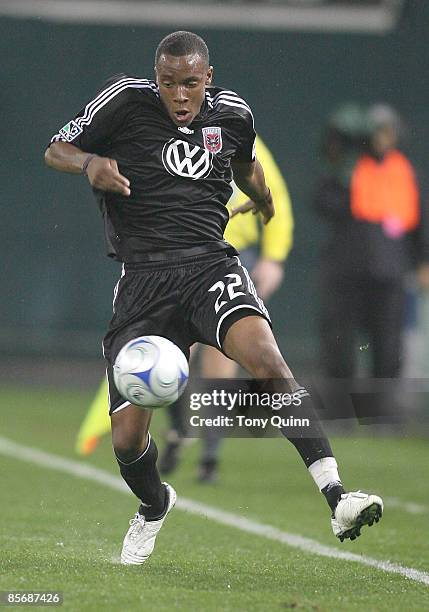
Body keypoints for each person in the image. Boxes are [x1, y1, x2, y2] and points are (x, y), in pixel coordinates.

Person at [45, 31, 383, 566]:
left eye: (190, 84)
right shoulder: (125, 101)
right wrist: (89, 164)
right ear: (156, 78)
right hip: (144, 282)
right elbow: (55, 148)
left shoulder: (233, 114)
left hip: (210, 265)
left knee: (269, 361)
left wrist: (265, 201)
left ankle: (338, 495)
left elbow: (247, 166)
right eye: (169, 84)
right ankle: (154, 506)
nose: (179, 95)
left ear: (209, 77)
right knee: (127, 440)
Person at [160, 134, 294, 482]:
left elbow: (271, 193)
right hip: (183, 256)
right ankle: (178, 430)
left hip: (232, 257)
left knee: (221, 355)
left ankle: (210, 456)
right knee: (173, 354)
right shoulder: (169, 136)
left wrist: (274, 258)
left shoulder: (238, 134)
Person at [315, 104, 429, 380]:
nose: (382, 137)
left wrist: (423, 261)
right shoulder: (350, 165)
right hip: (347, 272)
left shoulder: (402, 170)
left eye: (387, 131)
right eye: (376, 131)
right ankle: (341, 407)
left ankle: (382, 413)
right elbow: (322, 201)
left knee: (388, 343)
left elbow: (417, 220)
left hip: (389, 273)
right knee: (340, 342)